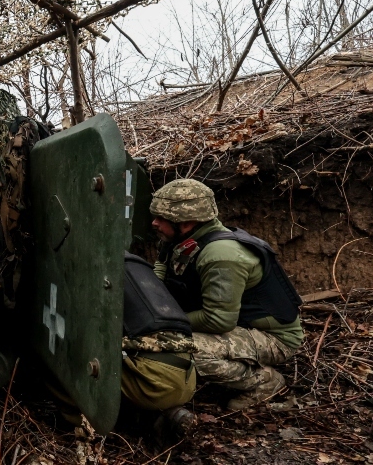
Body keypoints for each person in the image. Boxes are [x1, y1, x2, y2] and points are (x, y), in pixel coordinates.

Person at [148, 179, 304, 410]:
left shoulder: (221, 255)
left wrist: (163, 321)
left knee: (179, 349)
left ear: (188, 222)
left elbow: (218, 320)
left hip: (273, 338)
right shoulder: (180, 240)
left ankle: (264, 382)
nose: (154, 223)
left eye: (162, 218)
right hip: (239, 327)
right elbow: (162, 265)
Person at [120, 252, 198, 437]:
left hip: (155, 384)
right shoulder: (139, 267)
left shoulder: (102, 271)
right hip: (189, 379)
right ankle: (155, 418)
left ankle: (75, 428)